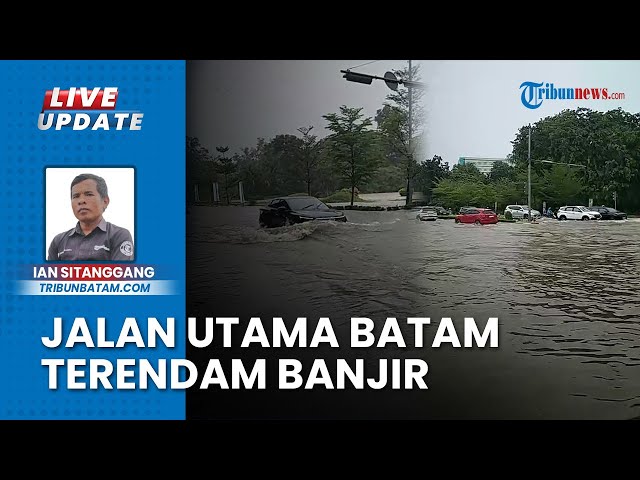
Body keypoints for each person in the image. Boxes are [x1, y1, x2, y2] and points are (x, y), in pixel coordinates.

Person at [47, 173, 134, 261]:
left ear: (105, 201)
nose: (81, 201)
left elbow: (120, 273)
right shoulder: (58, 241)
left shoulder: (118, 235)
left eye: (89, 194)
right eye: (76, 196)